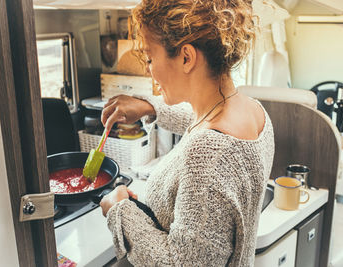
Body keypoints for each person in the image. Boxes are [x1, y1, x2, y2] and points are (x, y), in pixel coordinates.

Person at [100, 0, 274, 266]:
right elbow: (198, 120)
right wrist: (150, 106)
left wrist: (118, 210)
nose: (148, 68)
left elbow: (180, 263)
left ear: (186, 57)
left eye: (150, 57)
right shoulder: (254, 111)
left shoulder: (209, 153)